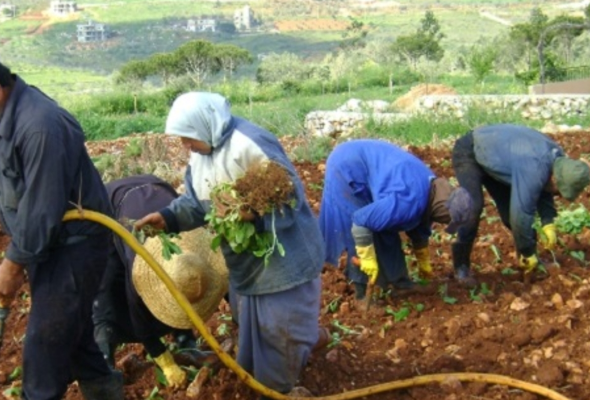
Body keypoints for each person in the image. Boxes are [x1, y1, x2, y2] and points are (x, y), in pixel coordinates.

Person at [0, 48, 122, 400]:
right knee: (76, 334)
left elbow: (42, 210)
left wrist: (11, 266)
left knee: (43, 352)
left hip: (75, 249)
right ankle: (105, 389)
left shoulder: (40, 126)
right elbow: (3, 182)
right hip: (49, 245)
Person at [134, 92, 325, 398]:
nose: (185, 145)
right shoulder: (200, 156)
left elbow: (288, 198)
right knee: (253, 333)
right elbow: (196, 204)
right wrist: (167, 217)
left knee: (281, 331)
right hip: (245, 266)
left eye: (188, 138)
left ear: (204, 126)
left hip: (283, 261)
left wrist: (251, 214)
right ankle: (270, 376)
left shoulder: (250, 144)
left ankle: (280, 388)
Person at [92, 174, 224, 388]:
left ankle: (185, 344)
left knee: (183, 282)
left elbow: (223, 280)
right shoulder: (139, 268)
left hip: (155, 191)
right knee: (108, 293)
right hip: (109, 213)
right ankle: (102, 369)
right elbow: (138, 317)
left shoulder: (192, 240)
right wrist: (165, 361)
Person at [319, 139, 473, 307]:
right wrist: (367, 258)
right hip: (346, 168)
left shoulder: (436, 189)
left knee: (387, 223)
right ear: (443, 212)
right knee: (361, 230)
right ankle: (361, 295)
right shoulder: (406, 200)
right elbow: (360, 221)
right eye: (446, 221)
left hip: (370, 162)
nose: (443, 223)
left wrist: (423, 259)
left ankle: (401, 284)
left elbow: (421, 219)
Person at [451, 124, 590, 283]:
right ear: (557, 179)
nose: (556, 194)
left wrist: (548, 221)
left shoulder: (557, 159)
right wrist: (527, 251)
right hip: (471, 151)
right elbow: (521, 214)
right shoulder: (533, 168)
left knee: (510, 215)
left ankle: (530, 258)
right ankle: (461, 266)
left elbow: (546, 185)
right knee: (473, 207)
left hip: (500, 157)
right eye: (559, 191)